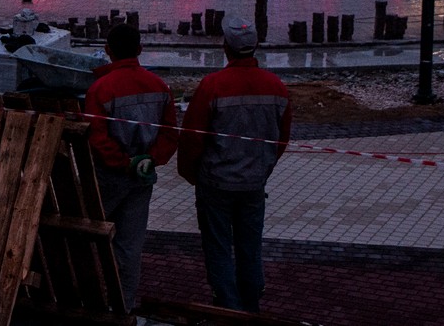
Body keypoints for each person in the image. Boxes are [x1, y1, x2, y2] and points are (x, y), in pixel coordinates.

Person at [178, 15, 293, 313]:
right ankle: (251, 305)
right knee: (249, 247)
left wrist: (192, 174)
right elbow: (281, 138)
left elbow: (192, 137)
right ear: (255, 46)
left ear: (225, 47)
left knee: (217, 248)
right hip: (254, 184)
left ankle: (228, 310)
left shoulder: (213, 86)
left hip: (215, 182)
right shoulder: (276, 87)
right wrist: (263, 167)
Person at [83, 23, 178, 312]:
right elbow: (169, 134)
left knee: (89, 236)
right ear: (139, 49)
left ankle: (88, 301)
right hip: (141, 178)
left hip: (107, 177)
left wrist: (121, 162)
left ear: (108, 51)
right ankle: (123, 306)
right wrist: (148, 160)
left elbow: (96, 136)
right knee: (130, 246)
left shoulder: (100, 89)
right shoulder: (160, 87)